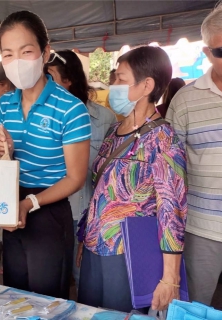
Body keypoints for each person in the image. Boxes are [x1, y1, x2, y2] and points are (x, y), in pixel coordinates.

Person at [0, 11, 91, 299]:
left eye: (26, 51)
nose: (16, 61)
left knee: (47, 301)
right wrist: (3, 152)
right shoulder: (5, 103)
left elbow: (76, 177)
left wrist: (30, 203)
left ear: (45, 53)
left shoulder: (71, 109)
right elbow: (5, 162)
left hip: (48, 209)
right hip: (12, 205)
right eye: (7, 54)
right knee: (15, 294)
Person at [78, 46, 187, 312]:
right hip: (94, 246)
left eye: (120, 79)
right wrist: (85, 235)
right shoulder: (115, 131)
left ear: (146, 85)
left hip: (128, 253)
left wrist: (170, 277)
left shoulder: (164, 139)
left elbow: (172, 211)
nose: (113, 84)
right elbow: (100, 190)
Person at [166, 1, 222, 311]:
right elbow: (170, 170)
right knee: (195, 306)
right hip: (202, 228)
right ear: (207, 53)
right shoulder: (186, 100)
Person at [45, 49, 117, 288]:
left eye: (50, 76)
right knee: (53, 280)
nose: (44, 84)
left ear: (69, 79)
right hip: (51, 212)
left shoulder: (105, 119)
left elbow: (110, 176)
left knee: (84, 280)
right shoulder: (41, 117)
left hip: (88, 215)